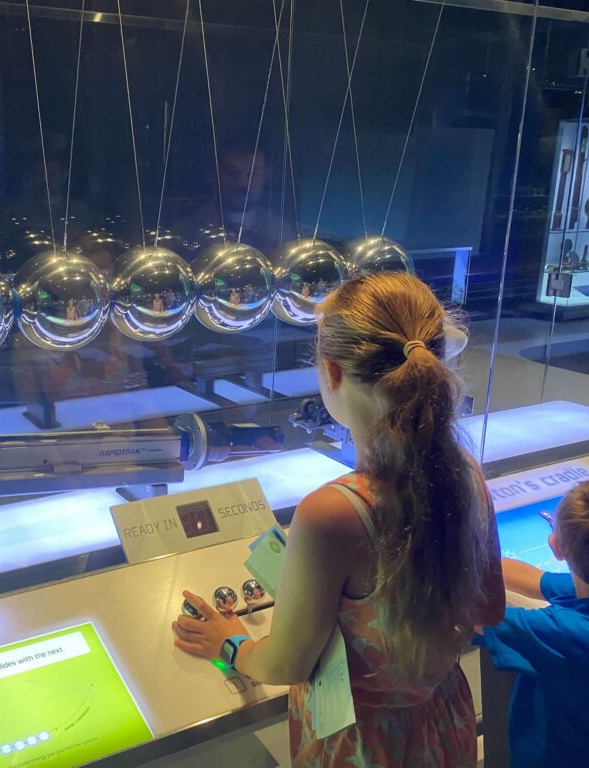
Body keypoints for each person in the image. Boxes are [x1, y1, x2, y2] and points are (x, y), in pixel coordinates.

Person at [172, 272, 505, 766]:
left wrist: (233, 643)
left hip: (361, 745)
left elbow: (286, 662)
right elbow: (489, 609)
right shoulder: (468, 473)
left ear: (330, 373)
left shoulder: (332, 513)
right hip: (442, 722)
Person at [475, 477, 589, 768]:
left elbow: (468, 615)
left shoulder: (563, 634)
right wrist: (481, 562)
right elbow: (536, 580)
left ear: (556, 547)